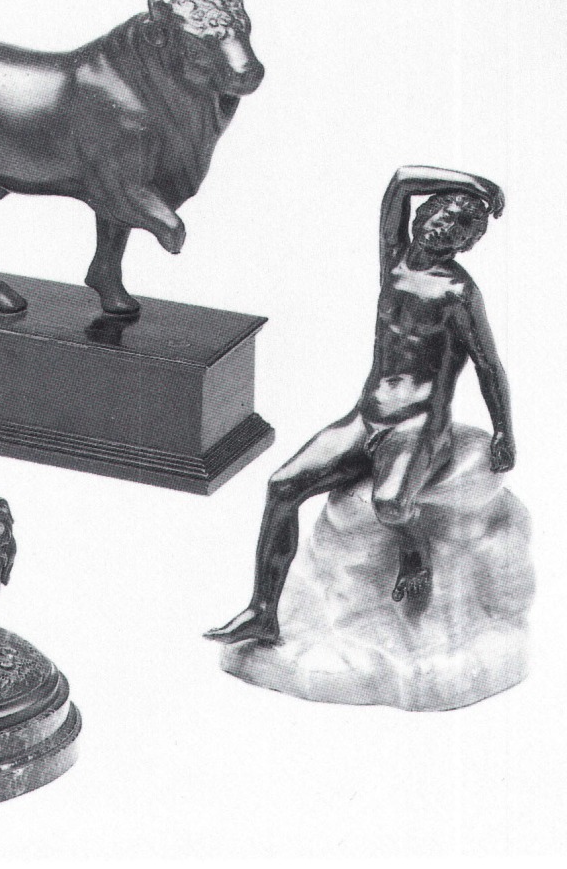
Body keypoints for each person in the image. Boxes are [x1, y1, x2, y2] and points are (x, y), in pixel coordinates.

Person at [206, 166, 513, 645]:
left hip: (417, 425)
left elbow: (488, 365)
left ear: (466, 244)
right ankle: (262, 612)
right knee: (282, 486)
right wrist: (476, 187)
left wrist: (503, 431)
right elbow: (402, 180)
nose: (443, 227)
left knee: (390, 505)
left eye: (459, 227)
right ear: (424, 213)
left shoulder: (458, 292)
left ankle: (416, 552)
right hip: (365, 417)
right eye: (441, 213)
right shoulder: (394, 260)